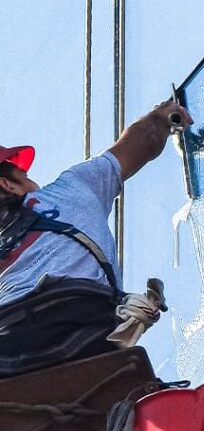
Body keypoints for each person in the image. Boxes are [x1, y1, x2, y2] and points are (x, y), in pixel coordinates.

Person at [0, 98, 193, 377]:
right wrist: (164, 117)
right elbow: (140, 142)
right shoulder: (70, 190)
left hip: (12, 350)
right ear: (7, 184)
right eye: (24, 174)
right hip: (85, 326)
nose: (32, 181)